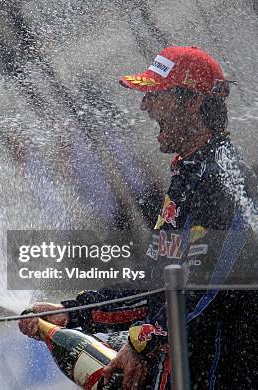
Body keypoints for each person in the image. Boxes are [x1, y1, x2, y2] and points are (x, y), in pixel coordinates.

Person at [19, 46, 257, 389]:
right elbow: (154, 284)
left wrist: (143, 341)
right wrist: (71, 312)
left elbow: (209, 290)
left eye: (156, 95)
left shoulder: (221, 175)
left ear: (191, 102)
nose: (146, 106)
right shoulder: (189, 174)